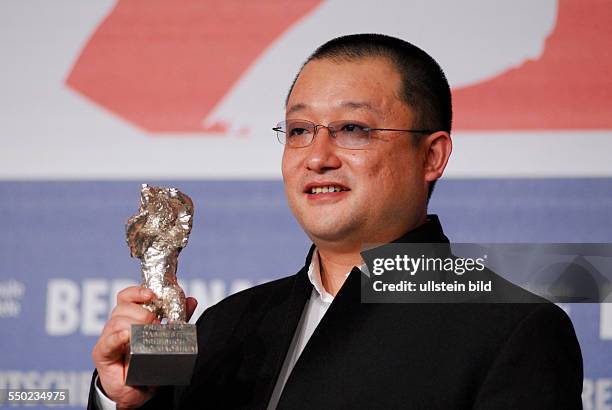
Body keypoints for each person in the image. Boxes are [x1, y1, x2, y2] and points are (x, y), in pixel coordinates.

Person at [88, 34, 583, 409]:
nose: (317, 156)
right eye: (300, 130)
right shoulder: (224, 326)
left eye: (352, 129)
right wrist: (125, 402)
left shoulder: (513, 332)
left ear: (431, 156)